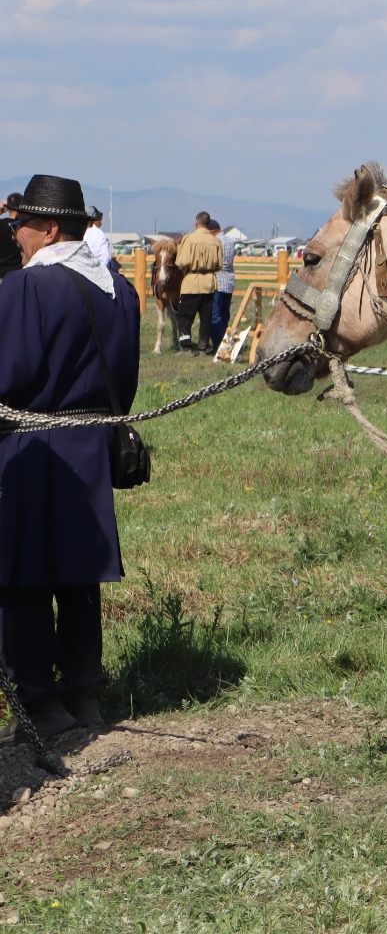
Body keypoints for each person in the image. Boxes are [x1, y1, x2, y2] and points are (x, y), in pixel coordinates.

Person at [0, 174, 140, 741]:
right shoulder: (121, 290)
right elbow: (123, 381)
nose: (16, 236)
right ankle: (84, 695)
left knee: (22, 577)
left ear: (50, 228)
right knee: (78, 579)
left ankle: (39, 705)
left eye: (22, 226)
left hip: (32, 447)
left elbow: (6, 377)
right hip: (91, 445)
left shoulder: (24, 291)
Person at [174, 209, 222, 354]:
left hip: (191, 282)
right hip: (209, 283)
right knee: (206, 318)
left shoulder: (189, 239)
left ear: (196, 223)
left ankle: (186, 347)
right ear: (208, 224)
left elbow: (182, 262)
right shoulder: (216, 241)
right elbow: (219, 264)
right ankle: (203, 347)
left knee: (185, 317)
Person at [209, 217, 236, 350]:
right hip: (229, 281)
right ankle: (226, 341)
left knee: (216, 316)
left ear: (212, 231)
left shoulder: (216, 241)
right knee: (225, 315)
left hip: (218, 281)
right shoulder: (230, 241)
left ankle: (217, 345)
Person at [0, 193, 21, 277]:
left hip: (2, 275)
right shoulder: (24, 225)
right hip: (20, 273)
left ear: (8, 208)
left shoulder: (1, 225)